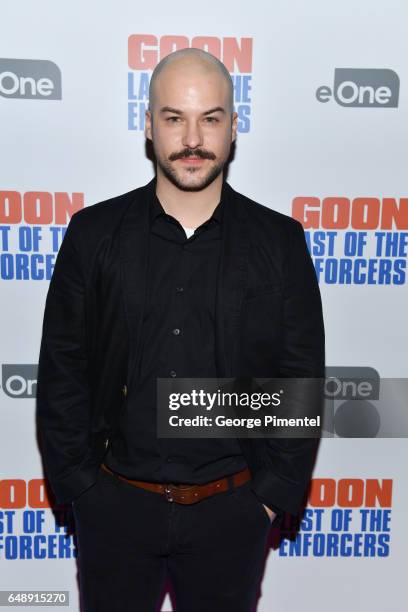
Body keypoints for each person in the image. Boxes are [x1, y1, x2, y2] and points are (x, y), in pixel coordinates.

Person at [36, 48, 325, 612]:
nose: (193, 138)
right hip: (115, 508)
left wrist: (266, 501)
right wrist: (81, 489)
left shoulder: (279, 242)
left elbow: (300, 376)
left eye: (210, 118)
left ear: (233, 128)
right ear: (148, 126)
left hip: (232, 512)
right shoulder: (93, 235)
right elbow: (63, 366)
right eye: (174, 118)